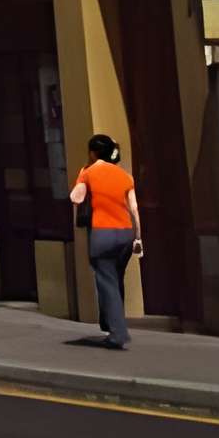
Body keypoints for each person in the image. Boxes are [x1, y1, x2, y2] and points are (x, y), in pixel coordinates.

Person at [70, 131, 142, 349]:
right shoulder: (125, 175)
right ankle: (109, 320)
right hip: (126, 232)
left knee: (107, 282)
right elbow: (134, 208)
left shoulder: (89, 172)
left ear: (92, 153)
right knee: (115, 279)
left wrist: (82, 175)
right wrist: (138, 236)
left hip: (103, 233)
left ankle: (118, 333)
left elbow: (76, 197)